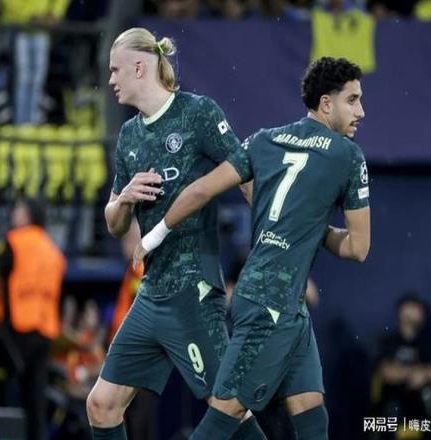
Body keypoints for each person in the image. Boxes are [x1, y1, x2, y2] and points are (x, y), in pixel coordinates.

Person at [136, 56, 371, 439]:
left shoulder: (263, 140)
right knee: (223, 417)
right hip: (272, 306)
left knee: (312, 412)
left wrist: (154, 235)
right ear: (326, 104)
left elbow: (200, 190)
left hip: (276, 302)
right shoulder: (349, 156)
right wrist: (313, 227)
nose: (361, 111)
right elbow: (358, 248)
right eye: (353, 100)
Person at [85, 27, 265, 440]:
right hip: (151, 293)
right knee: (101, 405)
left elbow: (245, 176)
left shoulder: (198, 113)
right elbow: (114, 223)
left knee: (229, 408)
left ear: (138, 67)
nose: (110, 80)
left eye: (115, 70)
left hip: (192, 291)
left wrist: (277, 237)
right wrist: (125, 198)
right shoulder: (129, 135)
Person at [0, 197, 67, 440]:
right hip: (45, 332)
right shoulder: (54, 251)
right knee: (35, 401)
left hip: (14, 331)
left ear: (26, 214)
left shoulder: (12, 242)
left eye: (17, 209)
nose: (14, 214)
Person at [371, 294, 431, 437]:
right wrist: (411, 374)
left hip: (423, 416)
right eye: (414, 307)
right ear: (402, 311)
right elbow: (385, 371)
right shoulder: (389, 342)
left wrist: (425, 374)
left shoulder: (427, 345)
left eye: (420, 309)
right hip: (393, 411)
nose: (419, 312)